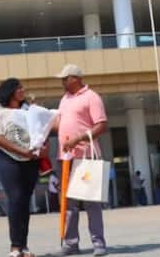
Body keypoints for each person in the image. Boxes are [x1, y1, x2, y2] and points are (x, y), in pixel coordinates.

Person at [54, 64, 108, 257]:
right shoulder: (64, 99)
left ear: (75, 78)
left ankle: (98, 243)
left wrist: (79, 138)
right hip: (65, 158)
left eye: (64, 79)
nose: (62, 82)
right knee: (68, 204)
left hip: (87, 157)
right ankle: (70, 244)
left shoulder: (91, 97)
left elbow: (101, 126)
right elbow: (58, 124)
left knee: (91, 203)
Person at [0, 77, 44, 257]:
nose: (23, 90)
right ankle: (15, 247)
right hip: (7, 157)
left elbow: (41, 132)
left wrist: (42, 148)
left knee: (24, 201)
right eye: (19, 88)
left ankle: (24, 246)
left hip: (31, 158)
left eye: (22, 88)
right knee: (16, 198)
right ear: (9, 91)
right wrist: (20, 151)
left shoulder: (29, 109)